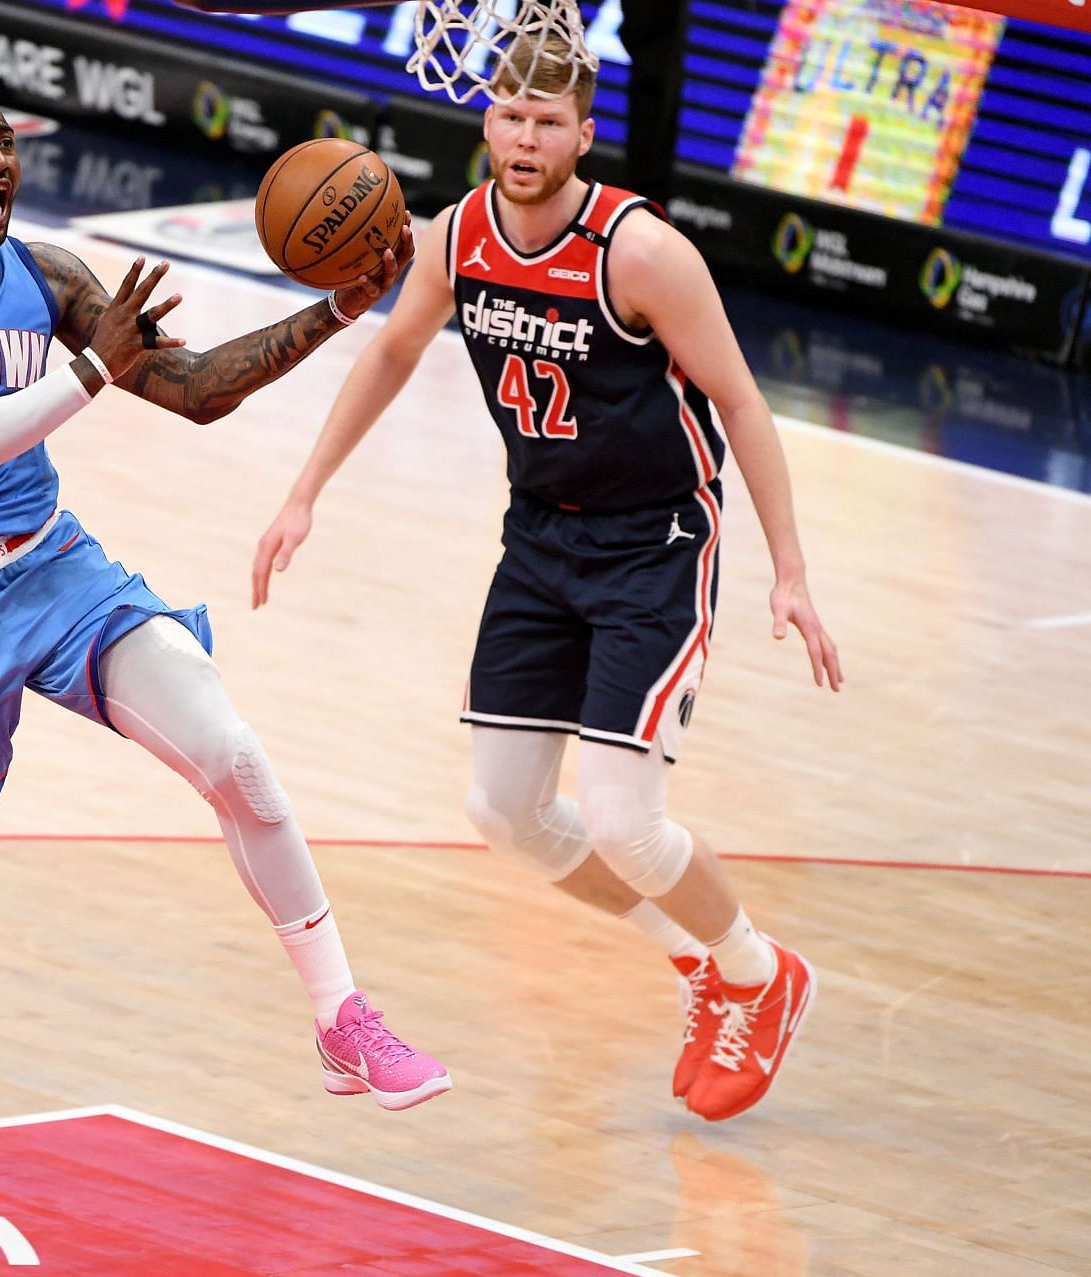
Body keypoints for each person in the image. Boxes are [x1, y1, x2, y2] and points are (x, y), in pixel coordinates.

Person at [0, 81, 450, 1255]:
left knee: (233, 751)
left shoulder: (49, 278)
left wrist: (342, 310)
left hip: (52, 566)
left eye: (6, 139)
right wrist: (87, 375)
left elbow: (196, 388)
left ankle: (339, 1012)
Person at [252, 39, 842, 1123]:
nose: (525, 139)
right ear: (488, 124)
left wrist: (791, 571)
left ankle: (759, 974)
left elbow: (744, 403)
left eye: (547, 122)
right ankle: (695, 959)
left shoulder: (641, 251)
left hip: (657, 541)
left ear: (583, 133)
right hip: (539, 539)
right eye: (510, 117)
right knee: (505, 808)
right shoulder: (458, 236)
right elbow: (390, 354)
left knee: (624, 817)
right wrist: (305, 491)